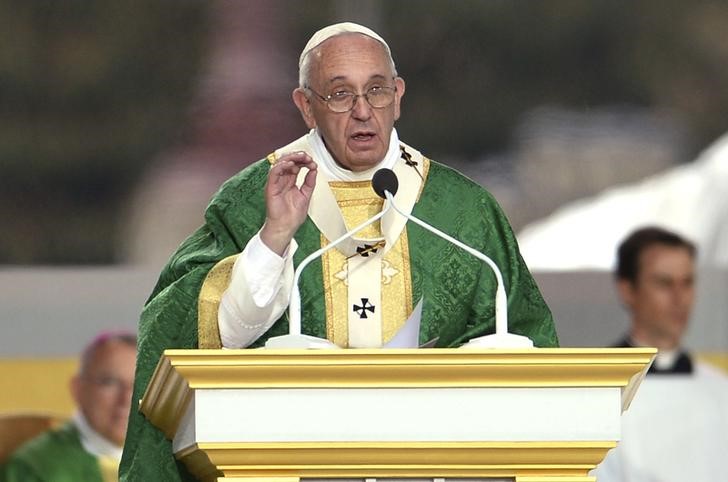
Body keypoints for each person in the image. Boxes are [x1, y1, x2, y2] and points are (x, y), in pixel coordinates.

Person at [120, 22, 559, 482]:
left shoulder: (463, 211)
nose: (363, 111)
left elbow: (526, 340)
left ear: (399, 95)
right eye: (340, 95)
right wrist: (273, 239)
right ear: (306, 107)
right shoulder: (256, 197)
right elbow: (189, 329)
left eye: (377, 90)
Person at [592, 226, 728, 481]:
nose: (680, 299)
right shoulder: (594, 389)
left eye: (687, 283)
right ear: (627, 289)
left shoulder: (721, 390)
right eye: (664, 283)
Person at [1, 332, 136, 482]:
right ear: (78, 389)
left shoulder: (159, 458)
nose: (127, 399)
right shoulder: (36, 468)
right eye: (109, 382)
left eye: (140, 385)